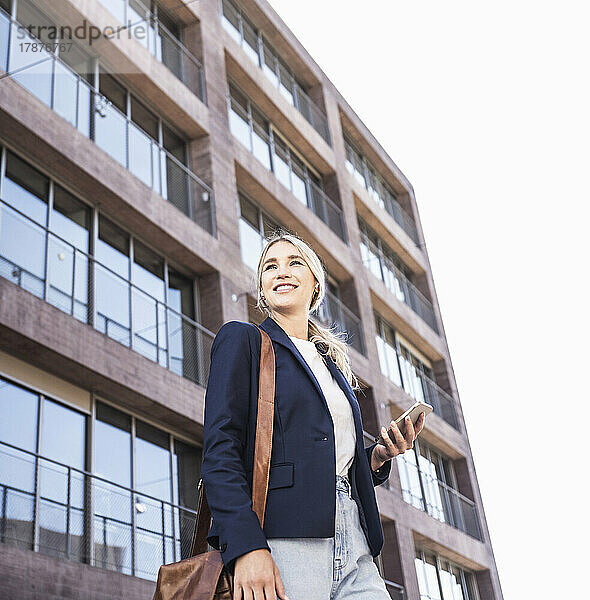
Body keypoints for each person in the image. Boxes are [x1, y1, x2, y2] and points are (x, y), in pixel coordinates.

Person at [201, 231, 425, 600]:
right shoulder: (243, 340)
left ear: (315, 286)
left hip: (355, 541)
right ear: (262, 288)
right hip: (282, 537)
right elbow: (221, 450)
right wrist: (246, 546)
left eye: (294, 263)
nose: (281, 272)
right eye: (270, 267)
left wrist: (377, 457)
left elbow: (325, 455)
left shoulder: (332, 366)